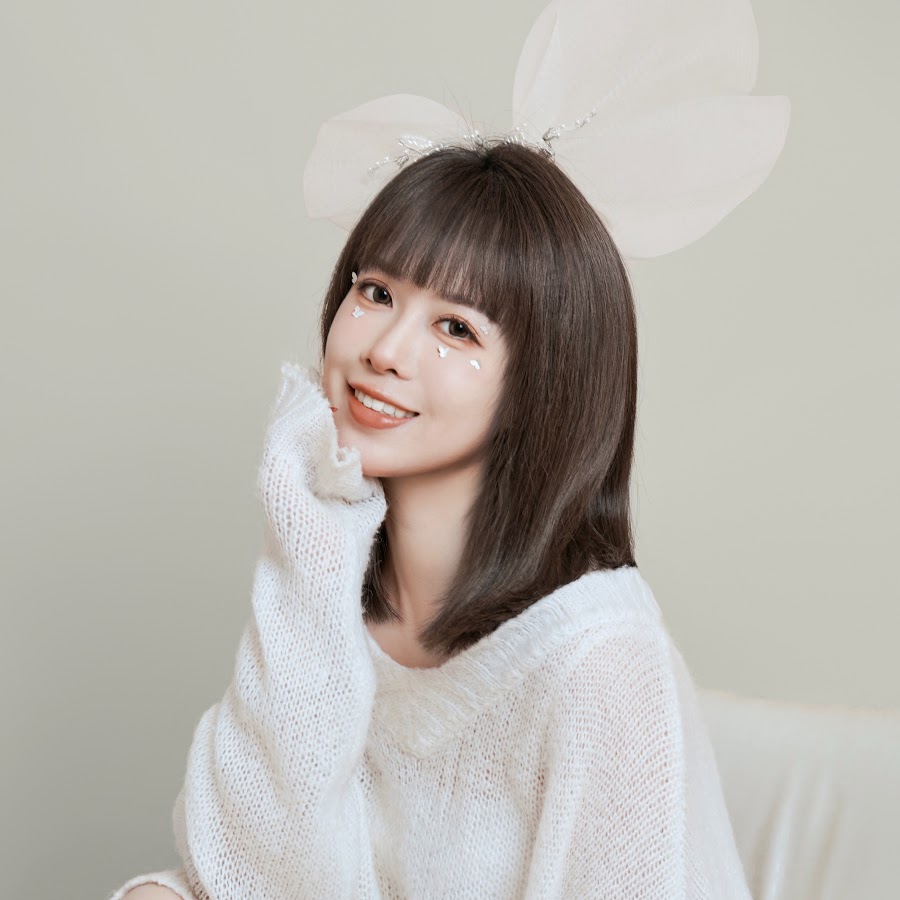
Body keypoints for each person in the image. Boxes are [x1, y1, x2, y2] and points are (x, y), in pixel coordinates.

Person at [109, 140, 754, 899]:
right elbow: (255, 871)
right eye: (376, 292)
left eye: (457, 329)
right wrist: (310, 533)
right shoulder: (326, 580)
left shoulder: (599, 662)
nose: (385, 351)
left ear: (543, 383)